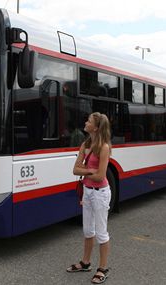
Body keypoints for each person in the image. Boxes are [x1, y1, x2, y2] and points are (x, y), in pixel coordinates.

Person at [66, 112, 112, 284]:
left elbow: (100, 176)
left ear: (96, 127)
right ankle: (85, 263)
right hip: (87, 191)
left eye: (89, 121)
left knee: (101, 232)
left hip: (100, 194)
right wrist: (89, 171)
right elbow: (75, 170)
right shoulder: (85, 144)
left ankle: (103, 268)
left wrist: (87, 172)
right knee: (87, 231)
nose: (86, 123)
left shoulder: (104, 147)